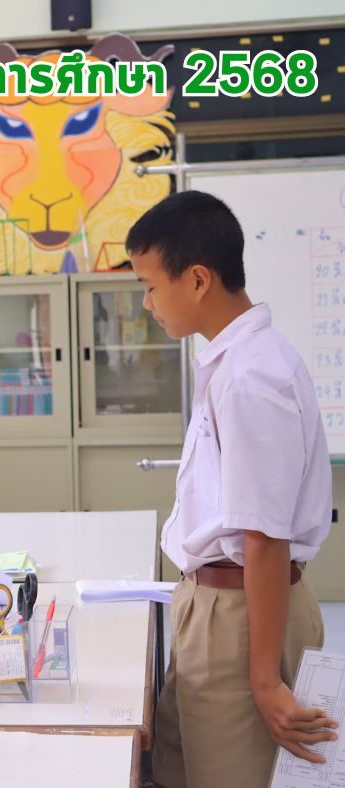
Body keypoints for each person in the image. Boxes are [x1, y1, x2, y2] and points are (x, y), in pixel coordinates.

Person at [125, 190, 339, 788]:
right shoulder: (231, 363)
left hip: (244, 617)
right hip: (216, 606)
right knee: (177, 769)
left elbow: (264, 537)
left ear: (197, 279)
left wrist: (265, 680)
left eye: (149, 285)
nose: (146, 303)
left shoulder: (250, 376)